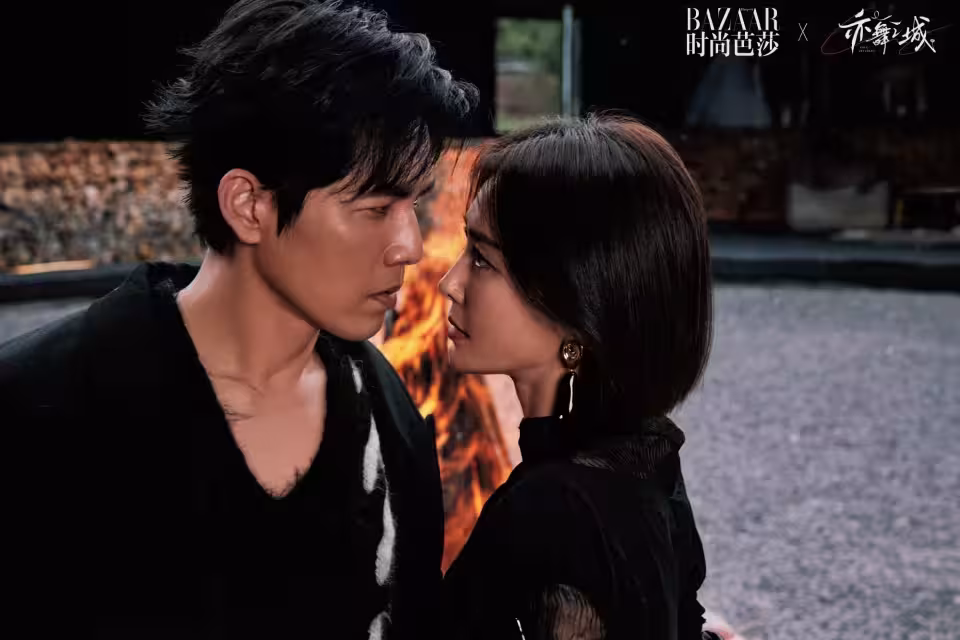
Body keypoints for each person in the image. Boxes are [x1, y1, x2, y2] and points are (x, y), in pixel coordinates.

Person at [1, 0, 477, 637]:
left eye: (412, 207)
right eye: (373, 209)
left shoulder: (393, 427)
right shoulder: (39, 408)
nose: (410, 247)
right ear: (249, 205)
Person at [438, 115, 721, 639]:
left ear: (578, 305)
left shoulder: (554, 512)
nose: (448, 282)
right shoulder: (644, 456)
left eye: (482, 259)